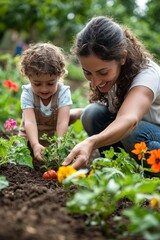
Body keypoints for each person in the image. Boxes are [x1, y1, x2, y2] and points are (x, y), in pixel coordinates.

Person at [63, 16, 160, 174]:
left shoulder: (147, 75)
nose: (95, 82)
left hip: (153, 135)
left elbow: (129, 119)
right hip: (141, 131)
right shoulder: (115, 76)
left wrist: (91, 142)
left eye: (103, 72)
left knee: (134, 132)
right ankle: (115, 173)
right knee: (91, 114)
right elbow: (116, 110)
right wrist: (75, 114)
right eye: (87, 72)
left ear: (122, 57)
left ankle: (153, 181)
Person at [19, 42, 72, 161]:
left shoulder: (63, 93)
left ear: (60, 75)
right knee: (19, 155)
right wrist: (34, 145)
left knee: (65, 157)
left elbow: (62, 123)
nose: (44, 89)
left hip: (53, 138)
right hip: (29, 137)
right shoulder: (27, 93)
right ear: (28, 77)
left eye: (50, 83)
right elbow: (30, 122)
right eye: (37, 84)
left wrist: (59, 146)